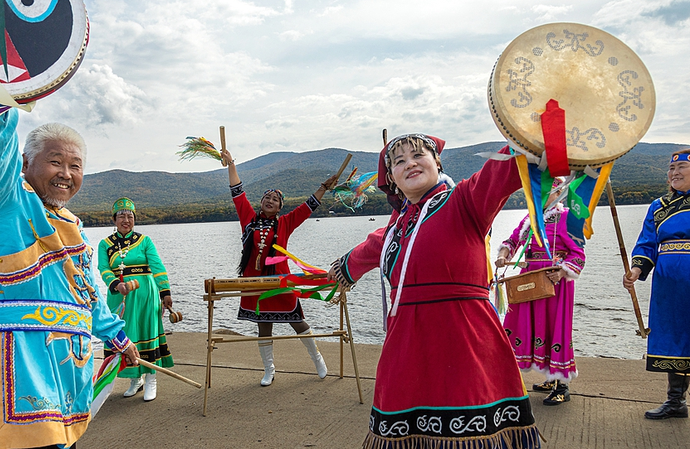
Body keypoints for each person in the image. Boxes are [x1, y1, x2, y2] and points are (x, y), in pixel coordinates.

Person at [327, 134, 540, 448]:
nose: (410, 164)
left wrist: (528, 134)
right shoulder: (395, 228)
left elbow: (501, 170)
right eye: (399, 161)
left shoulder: (465, 200)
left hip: (463, 342)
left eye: (418, 155)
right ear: (392, 178)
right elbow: (367, 250)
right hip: (405, 350)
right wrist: (339, 271)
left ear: (437, 162)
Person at [0, 110, 139, 449]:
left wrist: (118, 337)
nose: (66, 174)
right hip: (17, 363)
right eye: (55, 162)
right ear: (25, 163)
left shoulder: (72, 224)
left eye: (75, 166)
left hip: (68, 369)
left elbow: (86, 292)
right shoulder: (3, 200)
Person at [220, 148, 337, 386]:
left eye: (275, 199)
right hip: (255, 282)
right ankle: (269, 370)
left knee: (297, 320)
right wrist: (231, 164)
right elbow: (237, 192)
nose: (270, 201)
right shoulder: (248, 220)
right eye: (267, 197)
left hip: (280, 281)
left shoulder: (285, 223)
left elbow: (307, 207)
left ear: (280, 207)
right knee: (264, 325)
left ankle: (317, 359)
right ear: (261, 202)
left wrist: (323, 188)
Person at [496, 182, 586, 406]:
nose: (538, 196)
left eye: (544, 192)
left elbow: (578, 253)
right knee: (528, 325)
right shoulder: (530, 219)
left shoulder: (568, 217)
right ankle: (549, 376)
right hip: (530, 280)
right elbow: (513, 240)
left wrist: (562, 271)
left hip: (555, 283)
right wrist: (503, 254)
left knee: (555, 327)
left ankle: (562, 385)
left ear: (558, 192)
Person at [624, 148, 690, 420]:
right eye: (671, 169)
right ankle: (676, 401)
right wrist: (636, 270)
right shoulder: (658, 206)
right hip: (668, 283)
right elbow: (647, 243)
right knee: (674, 336)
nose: (674, 173)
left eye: (681, 168)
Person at [98, 198, 174, 402]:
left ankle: (151, 380)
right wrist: (116, 284)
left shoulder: (144, 241)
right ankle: (135, 379)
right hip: (120, 297)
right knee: (127, 335)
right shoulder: (105, 244)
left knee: (148, 332)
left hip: (145, 296)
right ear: (114, 220)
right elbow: (103, 268)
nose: (126, 220)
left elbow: (157, 266)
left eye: (130, 216)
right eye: (121, 216)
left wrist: (165, 292)